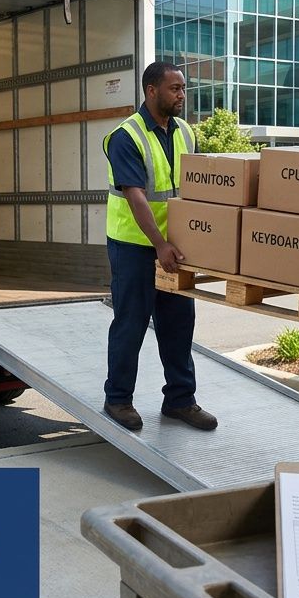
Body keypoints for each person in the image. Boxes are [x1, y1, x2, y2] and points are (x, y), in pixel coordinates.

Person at [100, 62, 218, 432]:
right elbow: (136, 197)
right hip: (135, 245)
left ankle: (180, 401)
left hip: (175, 246)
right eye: (175, 89)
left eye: (183, 88)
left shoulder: (185, 132)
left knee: (179, 324)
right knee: (131, 324)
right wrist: (160, 244)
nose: (182, 95)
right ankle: (118, 399)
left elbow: (193, 189)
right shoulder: (126, 136)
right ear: (151, 91)